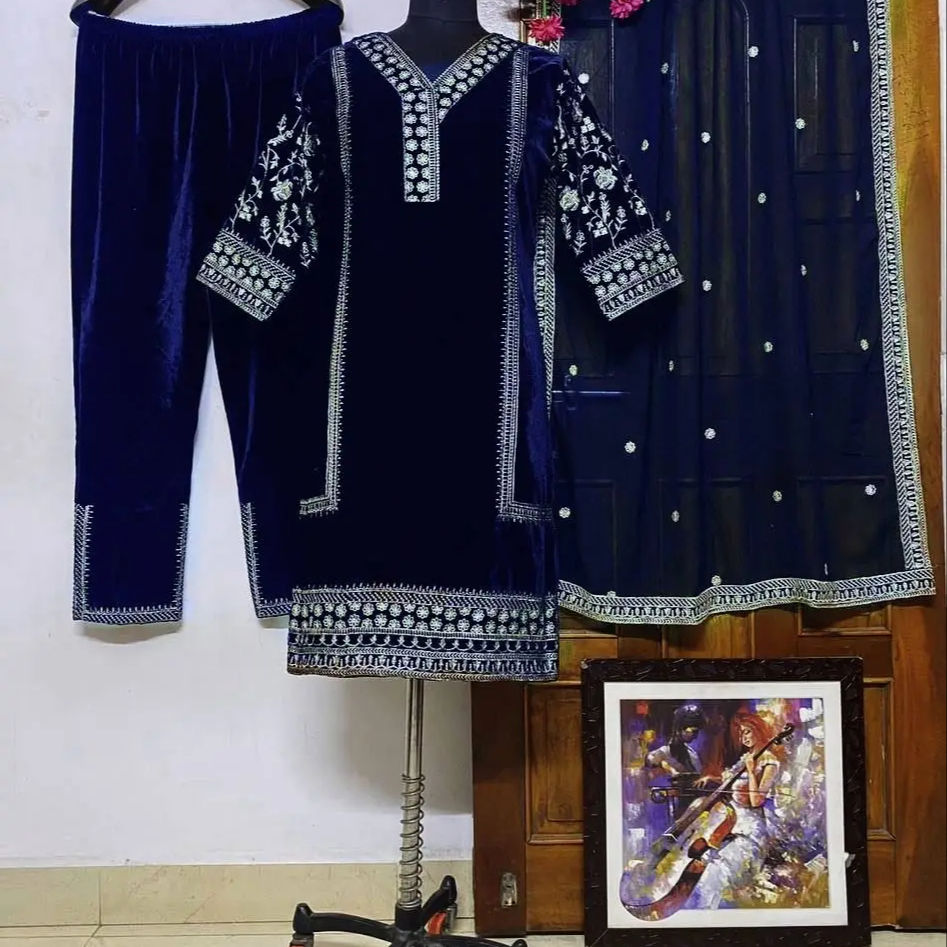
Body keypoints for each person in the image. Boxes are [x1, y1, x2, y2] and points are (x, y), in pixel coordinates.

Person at [686, 712, 781, 910]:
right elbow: (732, 781)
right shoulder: (747, 757)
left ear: (759, 731)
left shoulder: (769, 762)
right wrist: (712, 778)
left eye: (747, 732)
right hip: (730, 820)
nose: (743, 737)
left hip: (749, 828)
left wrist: (751, 770)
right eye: (741, 733)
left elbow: (757, 800)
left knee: (717, 871)